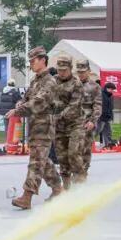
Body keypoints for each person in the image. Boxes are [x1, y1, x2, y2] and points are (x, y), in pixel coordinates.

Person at [7, 46, 62, 209]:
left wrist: (18, 110)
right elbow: (27, 98)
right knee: (43, 162)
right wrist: (20, 103)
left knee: (36, 163)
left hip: (44, 128)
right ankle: (58, 189)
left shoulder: (49, 82)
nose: (31, 63)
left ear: (43, 60)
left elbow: (38, 101)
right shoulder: (36, 80)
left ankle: (27, 196)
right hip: (34, 127)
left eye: (33, 60)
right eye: (30, 61)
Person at [51, 54, 85, 192]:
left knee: (73, 154)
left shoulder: (76, 84)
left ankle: (80, 187)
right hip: (59, 127)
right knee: (62, 158)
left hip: (74, 124)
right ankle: (66, 189)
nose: (61, 72)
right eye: (59, 69)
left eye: (64, 70)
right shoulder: (52, 81)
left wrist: (57, 116)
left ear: (71, 69)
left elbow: (73, 106)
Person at [75, 60, 102, 181]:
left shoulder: (95, 87)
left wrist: (92, 121)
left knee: (85, 150)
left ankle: (82, 174)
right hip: (73, 124)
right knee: (73, 150)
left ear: (89, 71)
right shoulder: (73, 85)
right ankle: (74, 173)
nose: (81, 74)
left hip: (87, 124)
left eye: (83, 72)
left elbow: (97, 106)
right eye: (79, 72)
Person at [97, 82, 116, 148]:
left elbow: (111, 107)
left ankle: (108, 145)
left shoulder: (110, 96)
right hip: (101, 117)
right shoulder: (101, 94)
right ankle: (87, 143)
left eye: (113, 90)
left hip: (107, 117)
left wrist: (111, 116)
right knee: (97, 130)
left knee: (108, 132)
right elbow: (100, 106)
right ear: (107, 88)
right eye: (111, 89)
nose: (112, 91)